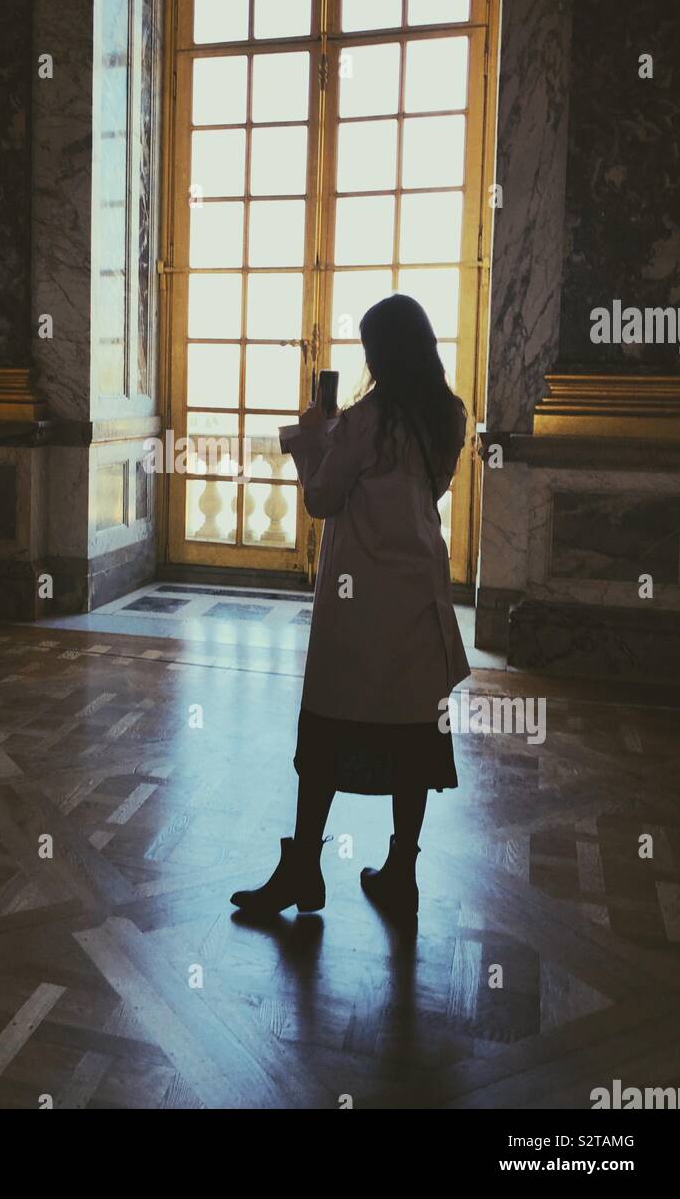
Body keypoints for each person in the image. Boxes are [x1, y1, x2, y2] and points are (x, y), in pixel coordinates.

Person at [231, 294, 470, 921]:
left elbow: (321, 499)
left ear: (381, 352)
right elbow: (433, 487)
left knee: (328, 732)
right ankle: (401, 870)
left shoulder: (365, 421)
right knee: (414, 737)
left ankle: (304, 867)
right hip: (418, 595)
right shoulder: (449, 415)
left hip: (358, 598)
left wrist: (313, 437)